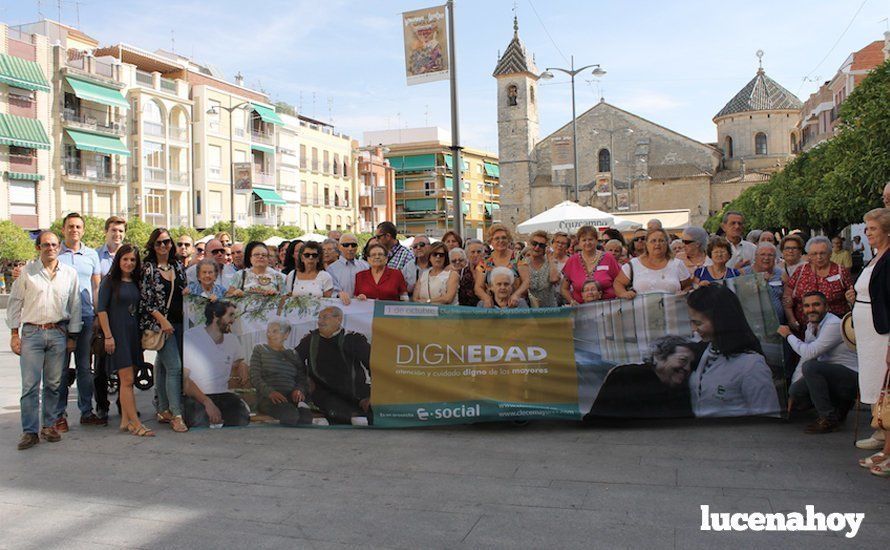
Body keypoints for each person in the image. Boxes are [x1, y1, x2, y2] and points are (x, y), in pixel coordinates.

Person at [7, 231, 81, 450]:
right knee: (30, 386)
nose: (50, 248)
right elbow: (14, 302)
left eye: (54, 244)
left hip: (58, 332)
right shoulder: (27, 273)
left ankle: (48, 425)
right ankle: (29, 431)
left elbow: (75, 305)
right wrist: (14, 334)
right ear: (38, 247)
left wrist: (73, 336)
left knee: (54, 384)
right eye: (46, 245)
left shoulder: (69, 274)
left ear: (60, 247)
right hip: (32, 333)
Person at [686, 285, 780, 417]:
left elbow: (768, 417)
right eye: (691, 322)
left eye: (698, 323)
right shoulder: (704, 352)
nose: (693, 329)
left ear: (720, 320)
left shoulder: (751, 365)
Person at [847, 208, 890, 473]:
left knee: (888, 393)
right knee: (880, 392)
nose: (867, 233)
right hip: (870, 336)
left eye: (872, 228)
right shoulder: (876, 258)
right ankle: (886, 448)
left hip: (882, 335)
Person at [779, 291, 858, 434]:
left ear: (826, 307)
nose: (811, 309)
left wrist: (789, 336)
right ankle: (838, 407)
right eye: (807, 306)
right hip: (832, 375)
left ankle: (828, 418)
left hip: (851, 377)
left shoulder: (833, 324)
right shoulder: (811, 326)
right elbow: (805, 358)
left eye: (816, 305)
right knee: (796, 390)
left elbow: (810, 353)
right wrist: (792, 394)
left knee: (812, 368)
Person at [96, 244, 153, 437]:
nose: (129, 263)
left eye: (133, 260)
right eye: (125, 259)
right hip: (117, 336)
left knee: (127, 381)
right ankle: (136, 424)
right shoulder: (109, 281)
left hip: (133, 336)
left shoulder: (137, 282)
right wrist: (108, 336)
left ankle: (124, 421)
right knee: (127, 380)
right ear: (118, 260)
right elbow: (102, 310)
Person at [56, 212, 104, 430]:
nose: (74, 230)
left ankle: (87, 412)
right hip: (61, 318)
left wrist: (97, 315)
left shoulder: (92, 254)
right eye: (70, 226)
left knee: (85, 368)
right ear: (64, 229)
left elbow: (96, 286)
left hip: (85, 317)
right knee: (61, 370)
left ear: (83, 230)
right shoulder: (56, 253)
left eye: (78, 227)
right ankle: (59, 415)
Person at [140, 228, 188, 433]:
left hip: (179, 323)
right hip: (162, 325)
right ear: (153, 245)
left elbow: (184, 289)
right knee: (175, 368)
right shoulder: (148, 268)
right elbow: (146, 301)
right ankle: (176, 414)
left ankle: (162, 409)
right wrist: (162, 321)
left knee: (163, 367)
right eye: (158, 243)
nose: (163, 246)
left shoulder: (177, 265)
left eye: (166, 242)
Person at [586, 336, 696, 419]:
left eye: (691, 363)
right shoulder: (626, 377)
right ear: (659, 356)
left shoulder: (682, 389)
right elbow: (598, 416)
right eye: (683, 360)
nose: (688, 368)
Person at [296, 306, 371, 425]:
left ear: (339, 319)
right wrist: (305, 381)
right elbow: (294, 361)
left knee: (376, 410)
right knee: (337, 411)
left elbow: (372, 365)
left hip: (355, 391)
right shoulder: (310, 340)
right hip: (324, 391)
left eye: (325, 317)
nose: (320, 321)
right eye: (319, 318)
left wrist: (371, 395)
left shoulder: (353, 338)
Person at [183, 301, 250, 427]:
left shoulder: (232, 339)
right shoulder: (191, 337)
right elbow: (185, 381)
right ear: (215, 315)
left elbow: (238, 361)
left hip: (222, 394)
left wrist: (242, 366)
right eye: (230, 315)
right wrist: (207, 402)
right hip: (197, 396)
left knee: (242, 418)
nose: (233, 320)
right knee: (199, 420)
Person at [783, 236, 853, 334]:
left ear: (830, 253)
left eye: (822, 253)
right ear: (809, 255)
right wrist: (791, 318)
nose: (819, 257)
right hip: (803, 328)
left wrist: (851, 297)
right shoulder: (801, 270)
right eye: (814, 254)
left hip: (834, 330)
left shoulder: (841, 271)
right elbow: (787, 295)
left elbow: (852, 294)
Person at [95, 216, 127, 421]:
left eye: (121, 231)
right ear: (106, 231)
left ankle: (125, 405)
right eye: (113, 230)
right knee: (100, 366)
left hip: (125, 319)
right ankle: (102, 406)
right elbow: (97, 288)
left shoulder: (129, 254)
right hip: (103, 317)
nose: (117, 234)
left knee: (126, 365)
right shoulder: (95, 256)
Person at [249, 321, 311, 426]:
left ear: (286, 335)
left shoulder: (293, 354)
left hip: (291, 398)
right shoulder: (260, 349)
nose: (270, 334)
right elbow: (255, 376)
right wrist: (270, 392)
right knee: (290, 415)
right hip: (269, 398)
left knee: (306, 417)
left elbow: (301, 377)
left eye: (275, 331)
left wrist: (299, 390)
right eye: (268, 331)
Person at [614, 228, 691, 299]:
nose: (657, 244)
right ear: (646, 244)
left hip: (672, 311)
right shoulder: (633, 264)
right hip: (641, 312)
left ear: (667, 243)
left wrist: (684, 293)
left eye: (661, 240)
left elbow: (688, 286)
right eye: (653, 241)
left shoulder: (677, 264)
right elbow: (618, 283)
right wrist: (624, 293)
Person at [560, 226, 621, 305]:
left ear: (596, 240)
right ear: (579, 242)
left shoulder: (608, 258)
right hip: (581, 310)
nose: (587, 243)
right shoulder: (572, 260)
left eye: (590, 239)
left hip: (608, 308)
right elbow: (564, 288)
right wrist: (572, 301)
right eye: (584, 240)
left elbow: (620, 282)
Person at [474, 224, 530, 308]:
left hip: (516, 305)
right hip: (492, 307)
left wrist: (516, 295)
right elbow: (478, 287)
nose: (501, 241)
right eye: (496, 238)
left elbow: (527, 281)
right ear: (491, 241)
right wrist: (486, 298)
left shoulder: (518, 257)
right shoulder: (484, 261)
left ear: (508, 240)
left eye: (504, 238)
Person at [744, 242, 786, 323]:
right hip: (753, 323)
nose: (766, 258)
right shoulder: (744, 273)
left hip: (778, 323)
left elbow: (786, 298)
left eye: (770, 255)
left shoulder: (781, 274)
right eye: (762, 254)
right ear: (755, 257)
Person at [327, 233, 369, 305]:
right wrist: (339, 294)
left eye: (353, 245)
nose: (350, 248)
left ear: (357, 247)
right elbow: (331, 291)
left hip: (363, 307)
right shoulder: (331, 269)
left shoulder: (365, 266)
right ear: (339, 247)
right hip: (341, 308)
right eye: (346, 245)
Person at [523, 231, 559, 308]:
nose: (537, 247)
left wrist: (550, 259)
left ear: (545, 247)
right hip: (529, 310)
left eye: (541, 245)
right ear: (529, 244)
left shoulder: (551, 261)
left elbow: (554, 279)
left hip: (549, 309)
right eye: (534, 243)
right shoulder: (523, 263)